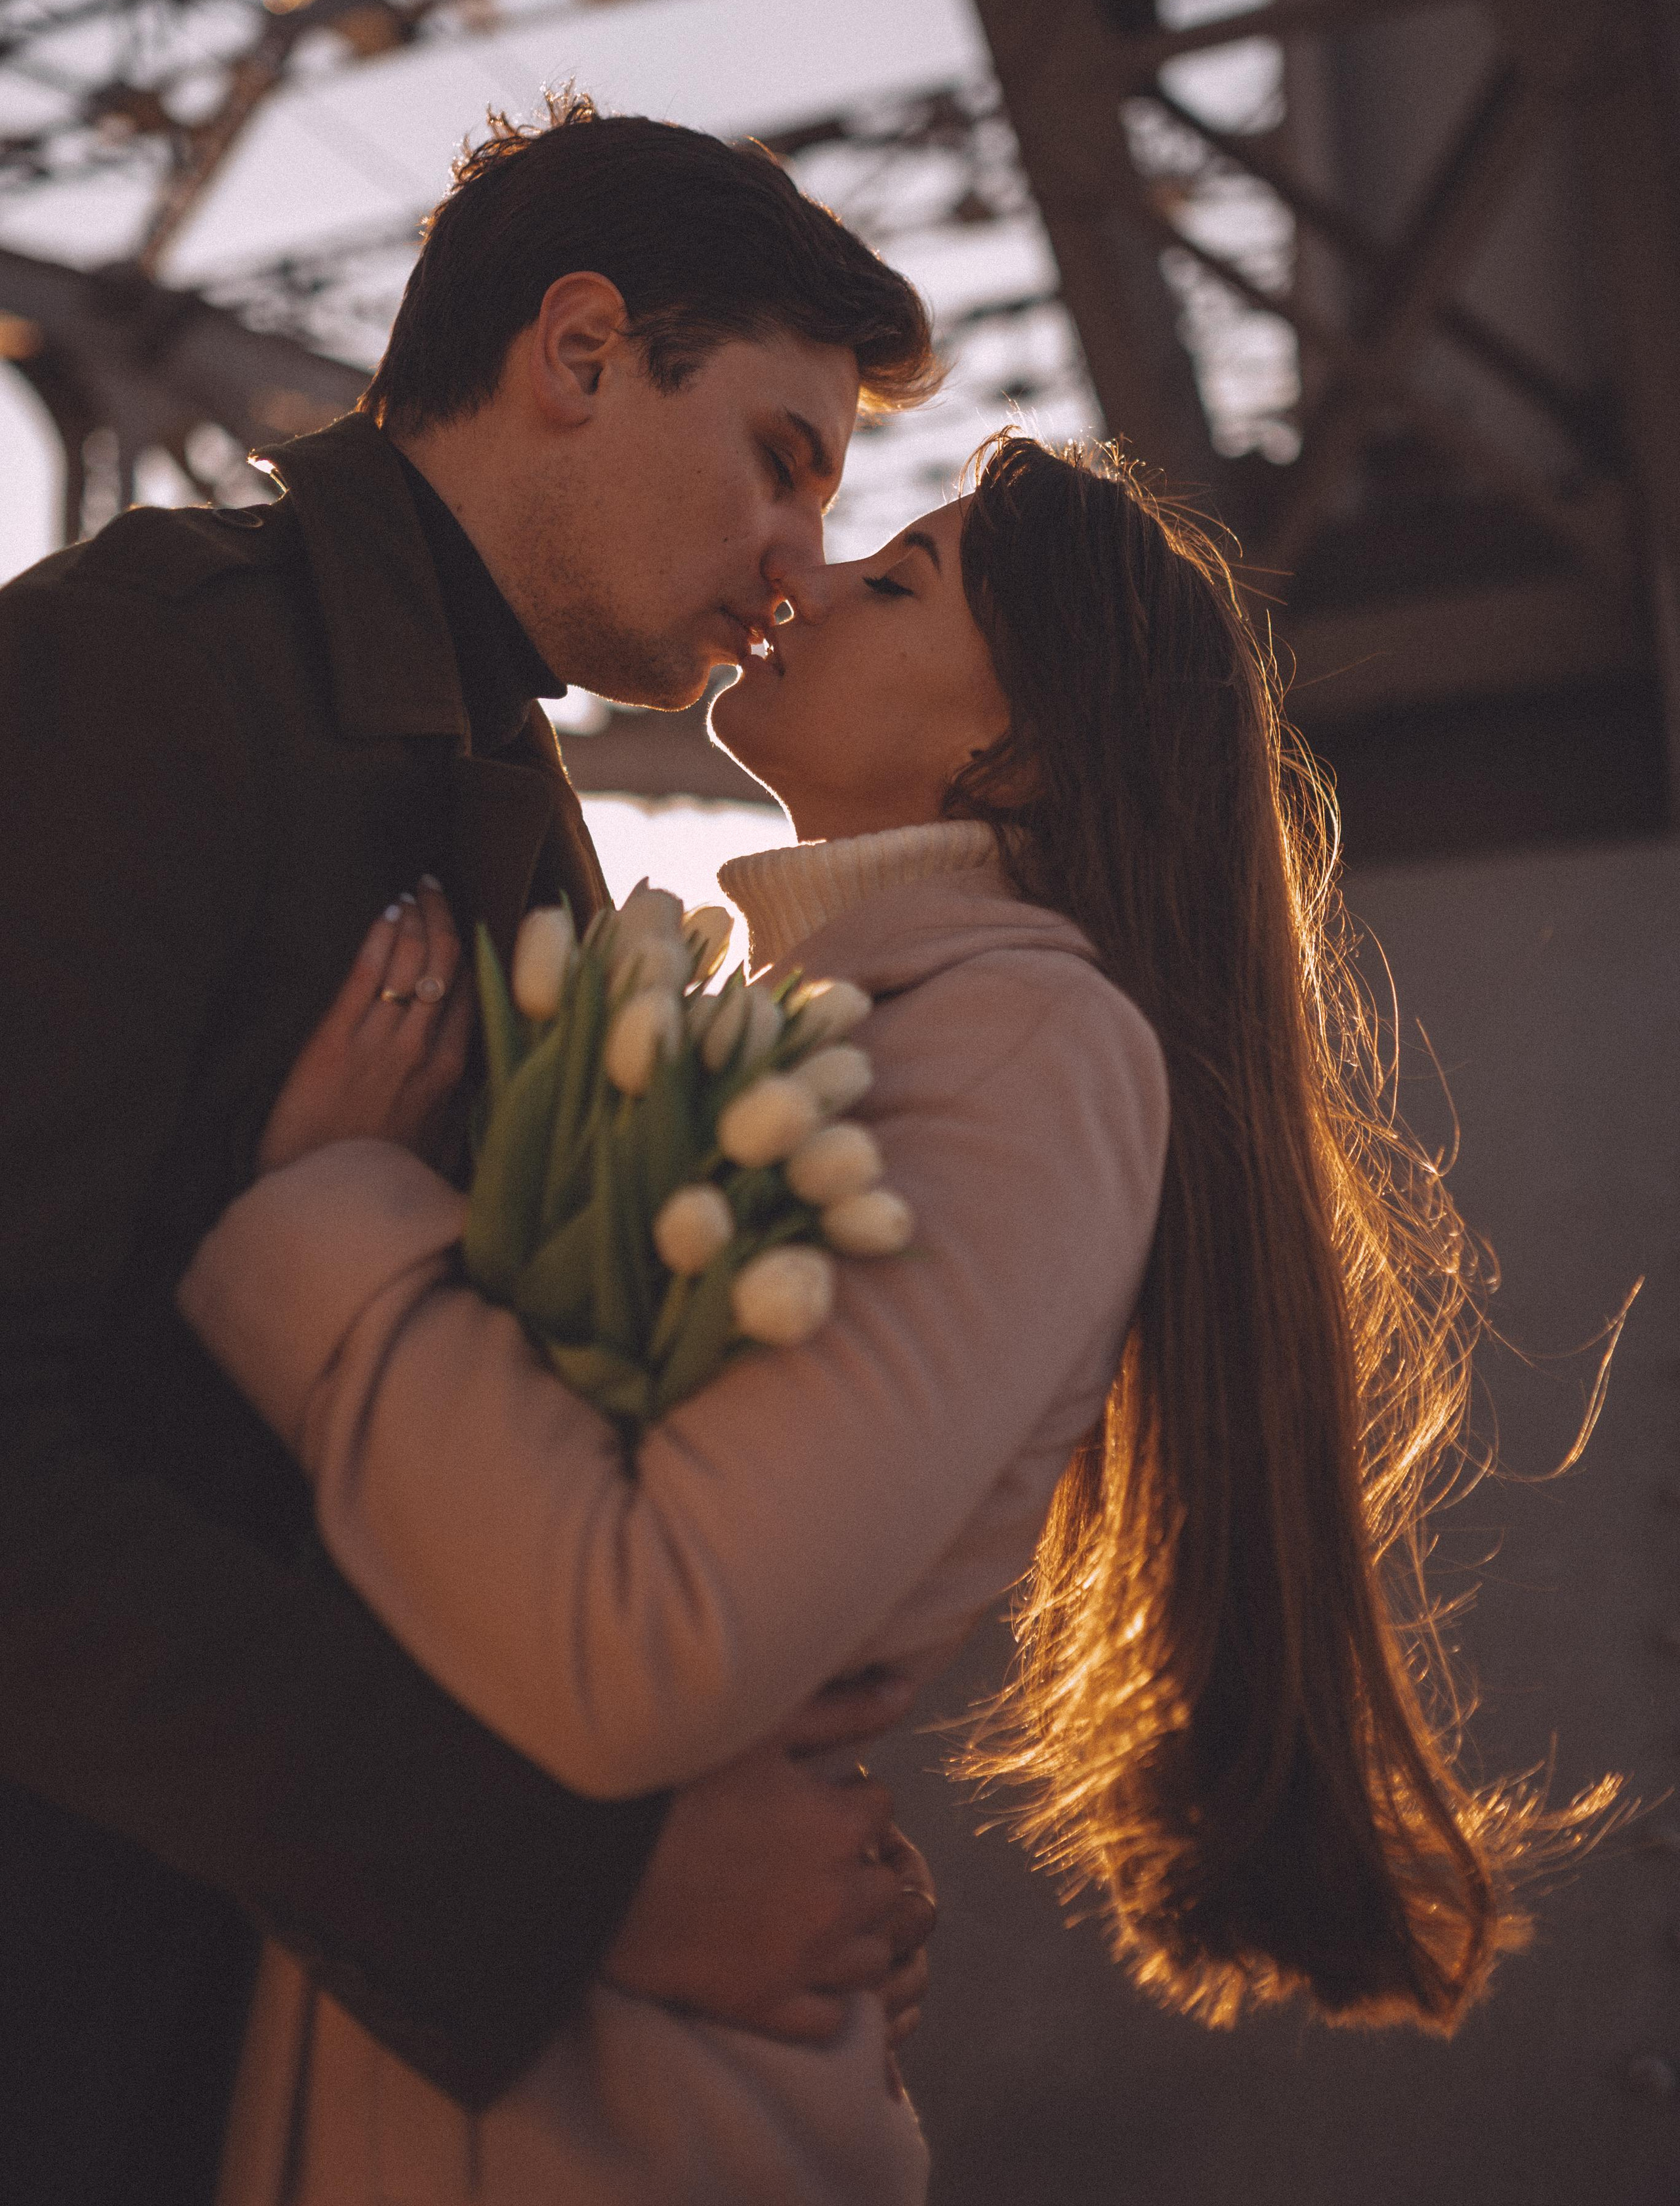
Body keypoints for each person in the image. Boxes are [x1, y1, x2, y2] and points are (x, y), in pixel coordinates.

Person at [177, 432, 1597, 2204]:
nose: (808, 576)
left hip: (609, 2122)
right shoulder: (847, 1019)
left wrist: (329, 1212)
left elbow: (644, 1632)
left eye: (897, 575)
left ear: (1015, 746)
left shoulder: (1025, 1050)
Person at [0, 92, 944, 2206]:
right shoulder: (148, 676)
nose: (804, 561)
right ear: (582, 351)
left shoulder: (488, 778)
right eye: (784, 459)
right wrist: (586, 1879)